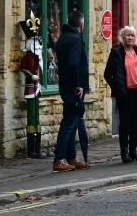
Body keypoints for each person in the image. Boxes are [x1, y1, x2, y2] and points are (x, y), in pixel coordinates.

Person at [52, 11, 90, 172]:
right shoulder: (75, 39)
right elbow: (73, 64)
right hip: (73, 89)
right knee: (68, 123)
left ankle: (70, 157)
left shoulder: (63, 38)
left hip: (66, 86)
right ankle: (59, 158)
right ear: (81, 25)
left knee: (73, 123)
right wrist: (77, 85)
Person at [104, 26, 137, 163]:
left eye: (132, 36)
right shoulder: (116, 52)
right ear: (123, 37)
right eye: (127, 35)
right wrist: (116, 86)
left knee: (135, 122)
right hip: (125, 92)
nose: (130, 38)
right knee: (125, 122)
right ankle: (124, 151)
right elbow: (107, 74)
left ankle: (133, 150)